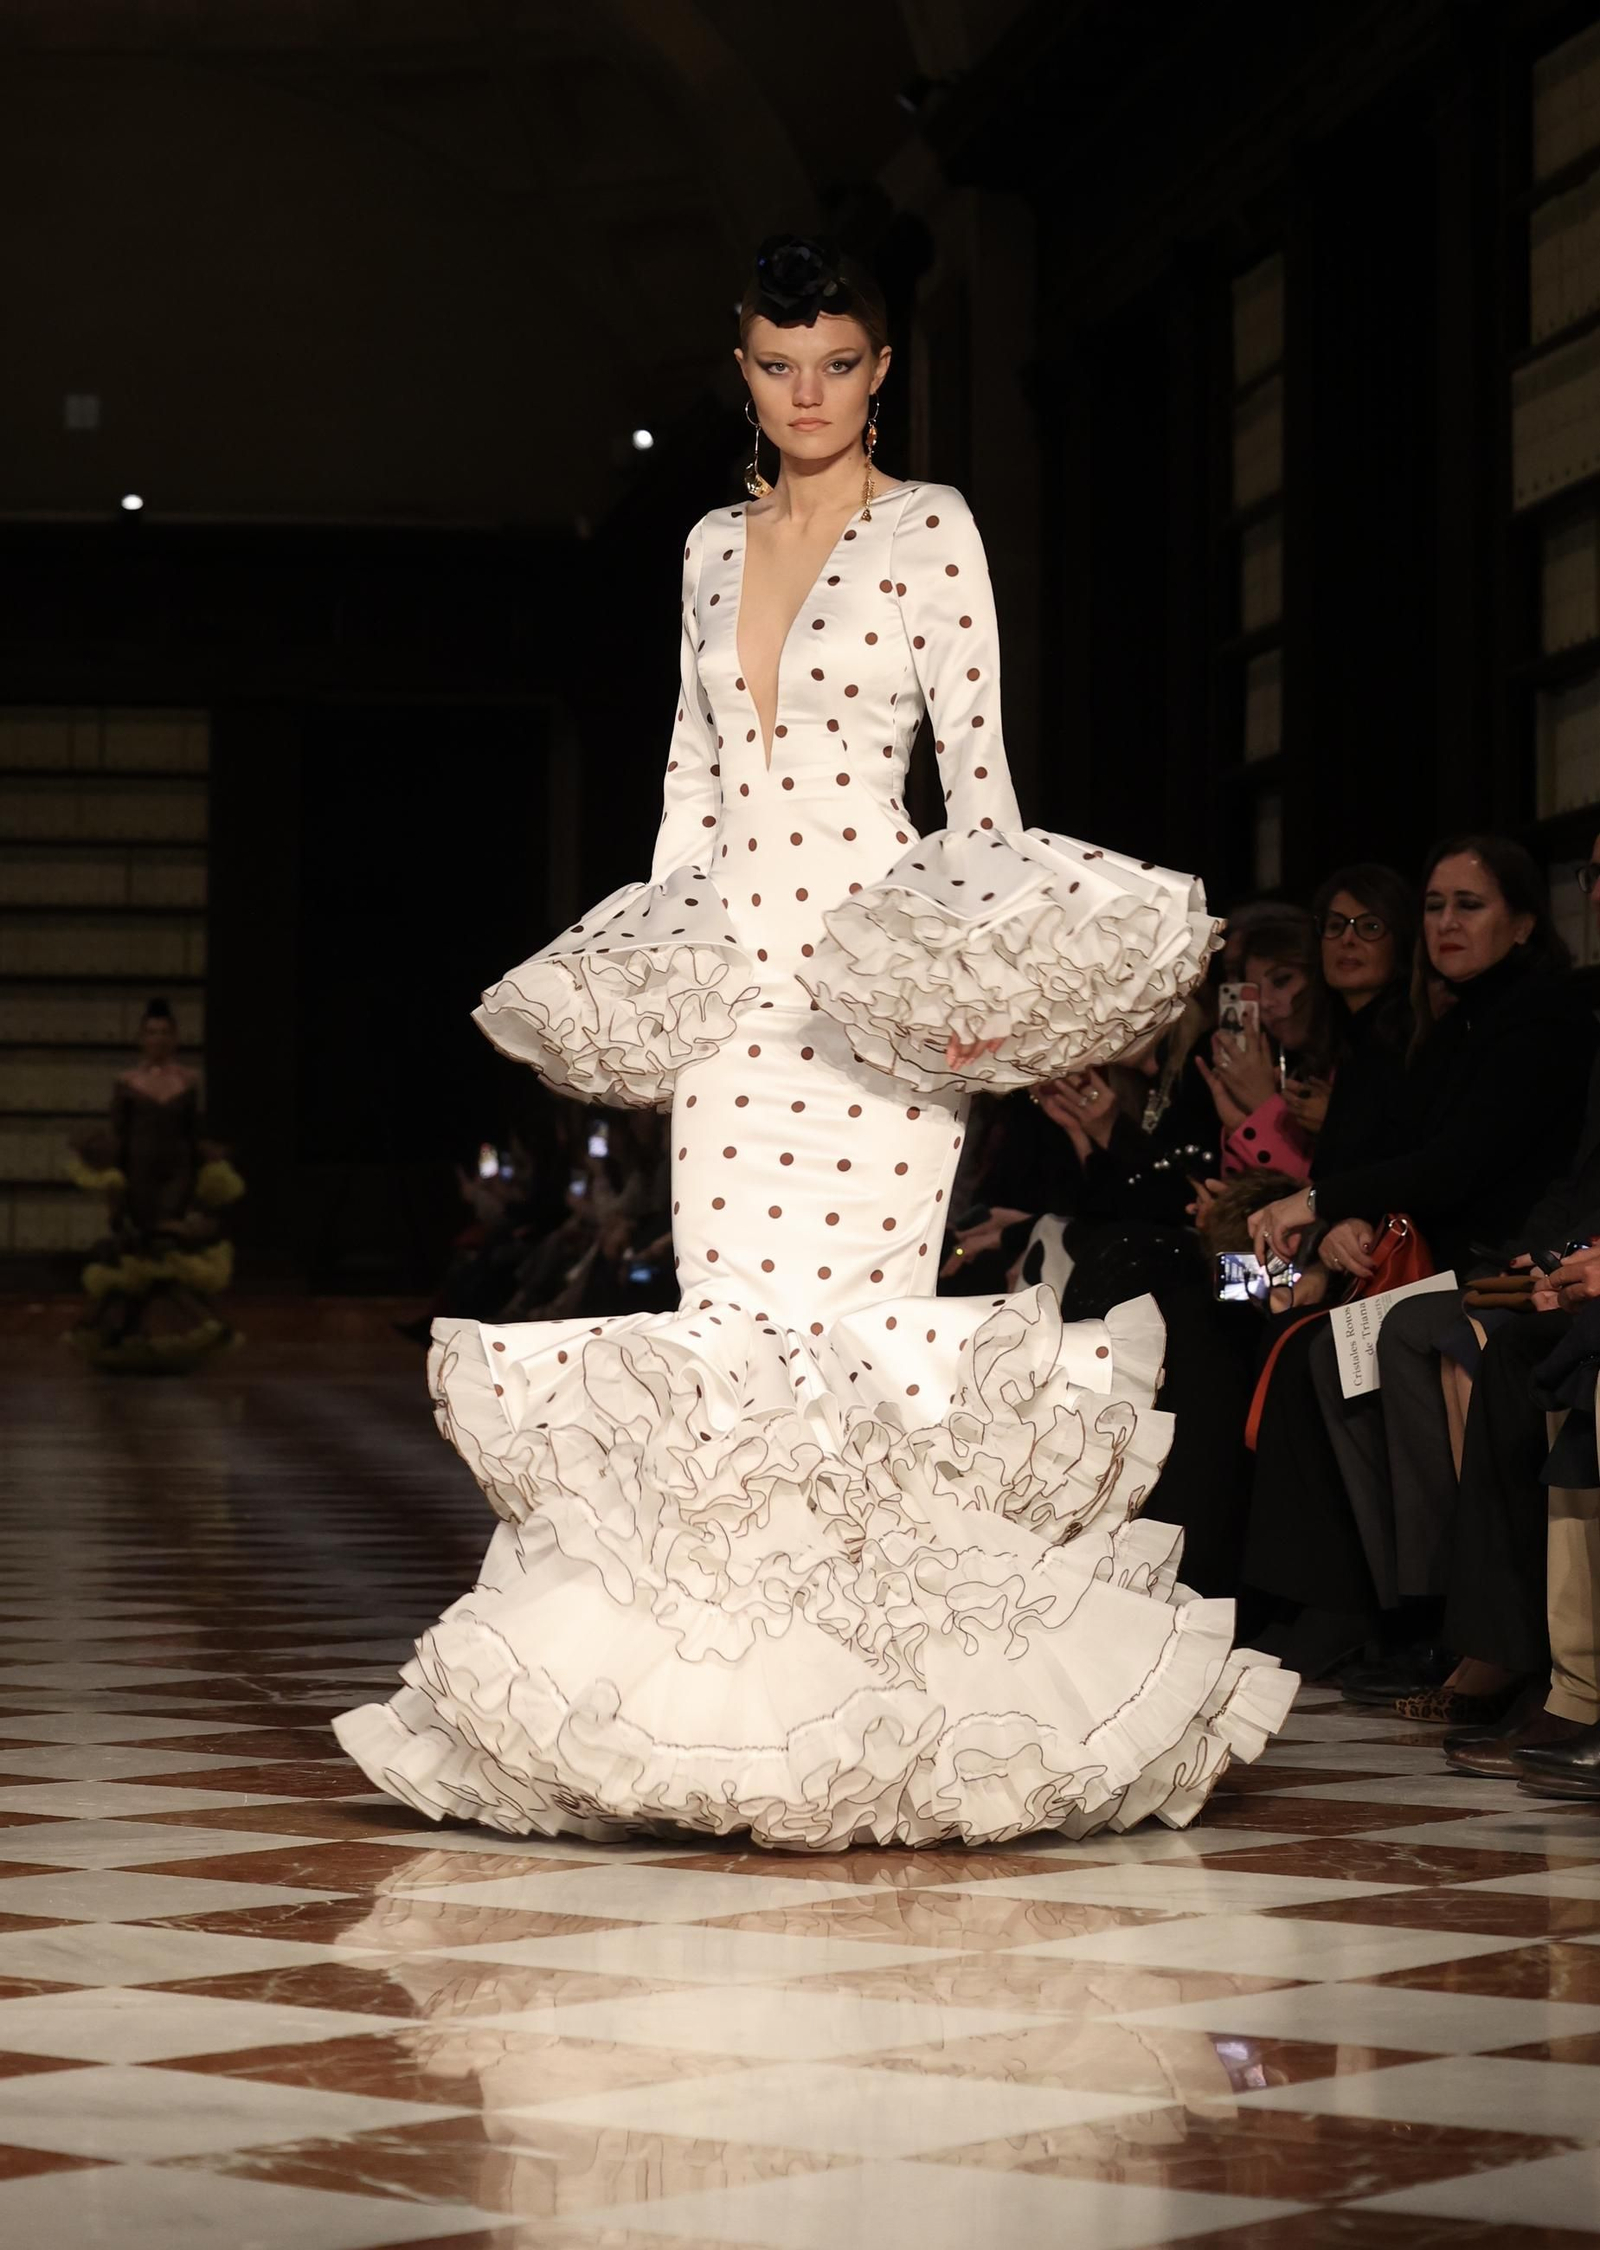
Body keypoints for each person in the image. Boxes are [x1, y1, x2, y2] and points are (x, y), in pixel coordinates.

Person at [335, 233, 1293, 1849]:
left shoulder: (932, 532)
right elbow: (684, 795)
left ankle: (895, 1717)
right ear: (744, 369)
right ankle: (722, 1724)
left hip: (870, 979)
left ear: (881, 370)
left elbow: (976, 784)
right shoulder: (709, 546)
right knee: (731, 1337)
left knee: (856, 1333)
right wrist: (653, 977)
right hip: (733, 986)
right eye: (781, 366)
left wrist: (983, 987)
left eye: (838, 363)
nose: (808, 393)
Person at [1242, 838, 1597, 1681]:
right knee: (1228, 1306)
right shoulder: (1374, 1041)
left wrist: (1298, 1172)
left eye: (1371, 924)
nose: (1347, 942)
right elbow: (1265, 1182)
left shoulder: (1432, 1030)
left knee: (1323, 1347)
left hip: (1439, 1260)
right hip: (1318, 1255)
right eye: (1332, 927)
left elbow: (1441, 1167)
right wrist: (1319, 1210)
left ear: (1521, 923)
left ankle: (1377, 1610)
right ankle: (1301, 1601)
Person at [66, 998, 244, 1372]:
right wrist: (113, 1186)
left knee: (169, 1246)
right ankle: (129, 1335)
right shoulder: (127, 1083)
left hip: (177, 1175)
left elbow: (194, 1134)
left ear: (175, 1038)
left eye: (165, 1032)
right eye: (151, 1032)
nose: (158, 1039)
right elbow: (119, 1134)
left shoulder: (188, 1082)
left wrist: (208, 1169)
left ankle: (174, 1337)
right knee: (139, 1247)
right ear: (140, 1038)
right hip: (139, 1175)